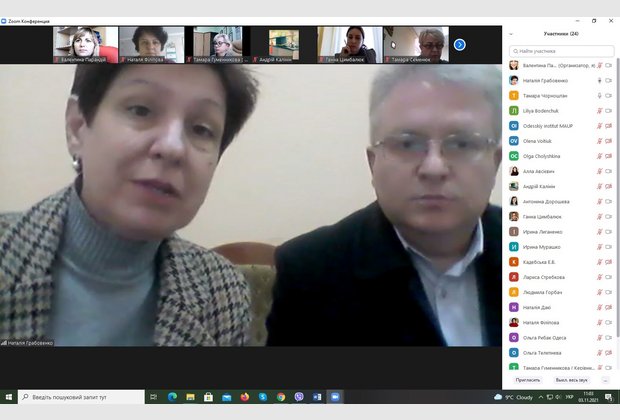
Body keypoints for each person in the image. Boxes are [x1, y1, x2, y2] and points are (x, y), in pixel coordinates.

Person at [0, 64, 259, 346]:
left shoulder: (222, 293)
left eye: (201, 129)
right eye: (141, 110)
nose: (173, 147)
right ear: (77, 127)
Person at [267, 65, 502, 346]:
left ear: (495, 162)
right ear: (373, 163)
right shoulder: (310, 271)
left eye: (462, 144)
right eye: (407, 144)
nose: (434, 168)